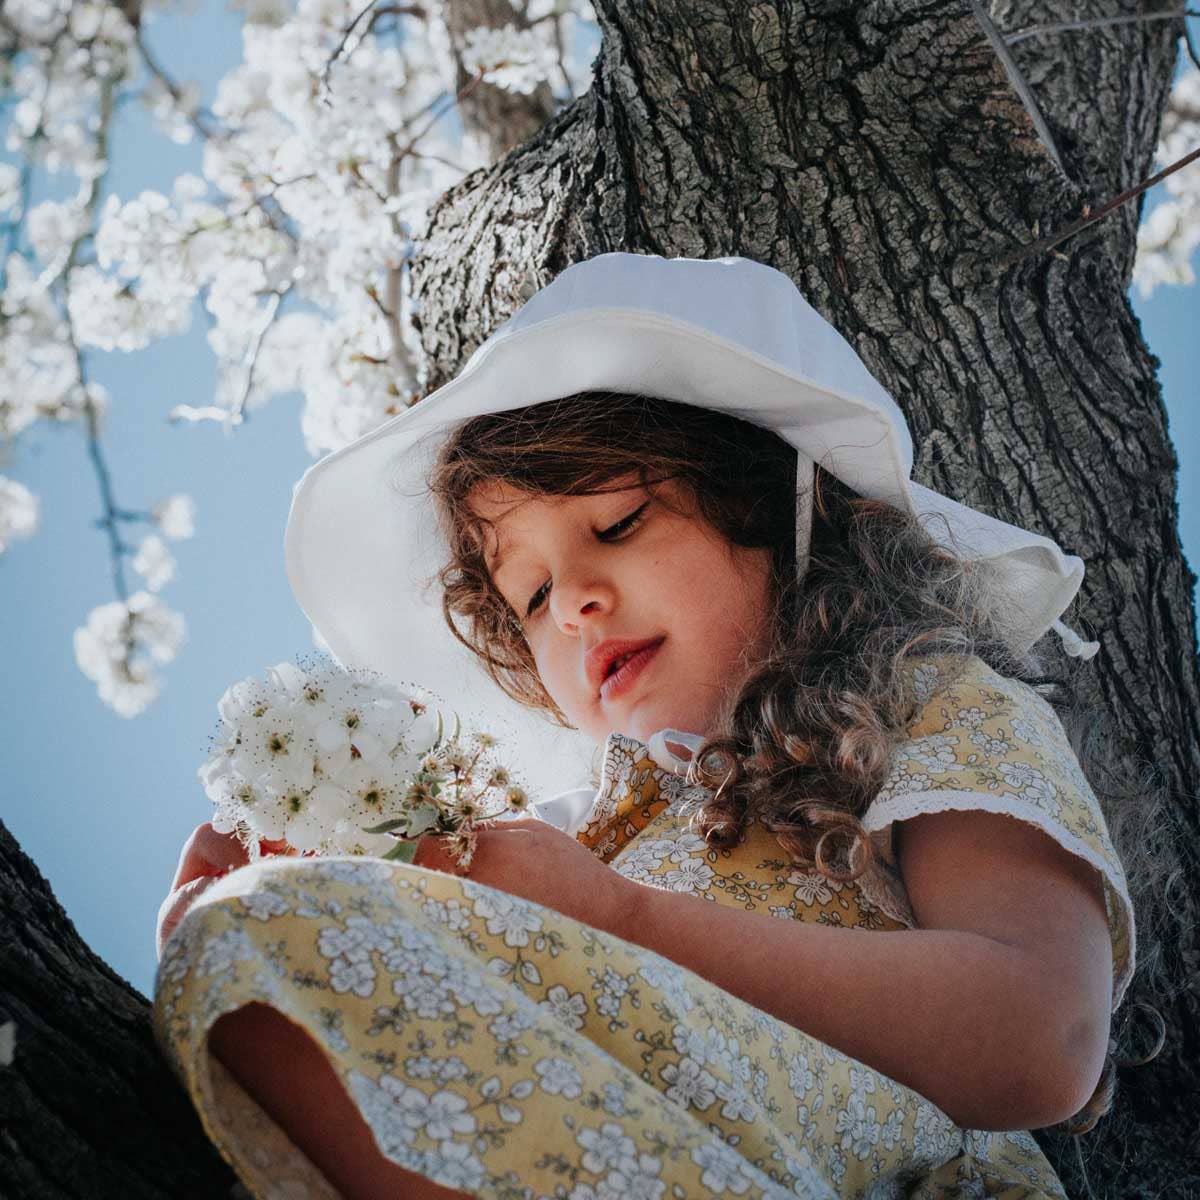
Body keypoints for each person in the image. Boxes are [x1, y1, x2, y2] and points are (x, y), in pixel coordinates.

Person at [153, 252, 1153, 1200]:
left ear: (770, 509)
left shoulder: (924, 705)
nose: (575, 603)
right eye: (532, 596)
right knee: (259, 954)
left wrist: (613, 917)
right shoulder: (568, 830)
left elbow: (1043, 1039)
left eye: (619, 526)